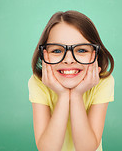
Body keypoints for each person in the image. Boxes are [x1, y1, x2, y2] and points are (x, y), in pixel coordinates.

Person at [28, 10, 115, 151]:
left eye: (81, 50)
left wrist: (76, 95)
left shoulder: (103, 81)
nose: (69, 60)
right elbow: (47, 149)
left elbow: (86, 148)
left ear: (94, 54)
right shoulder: (38, 82)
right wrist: (63, 96)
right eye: (57, 51)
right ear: (45, 54)